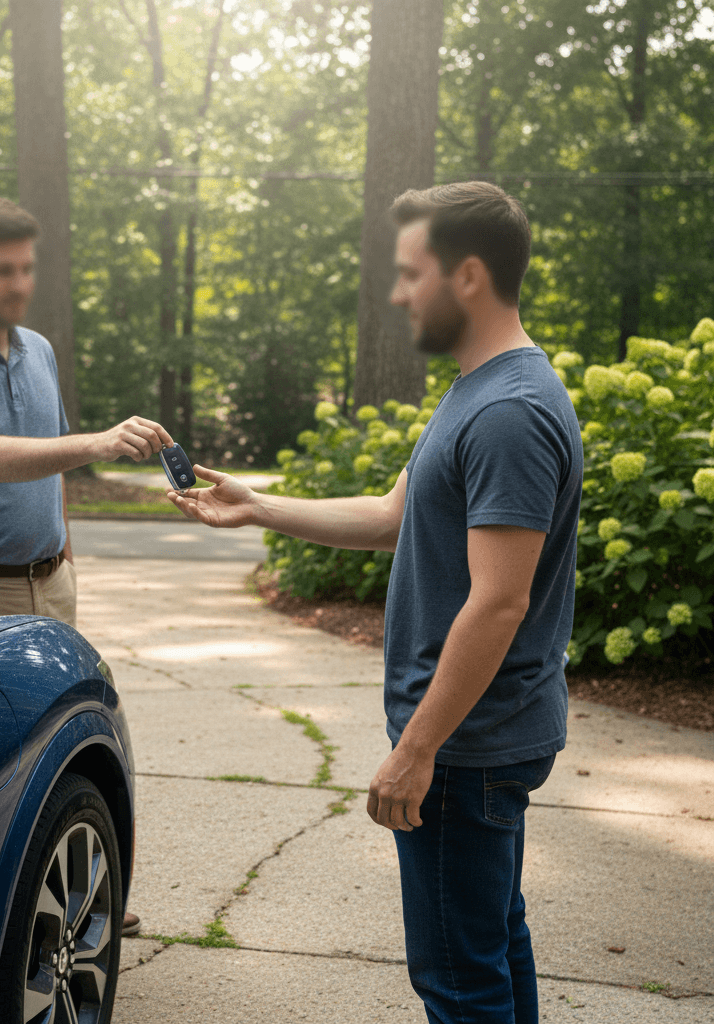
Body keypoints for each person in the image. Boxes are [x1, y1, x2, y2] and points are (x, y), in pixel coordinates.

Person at [167, 181, 583, 1023]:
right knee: (493, 949)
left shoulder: (508, 411)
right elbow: (396, 517)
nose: (396, 294)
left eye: (409, 273)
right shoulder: (480, 389)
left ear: (466, 276)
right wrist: (259, 507)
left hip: (467, 750)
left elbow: (499, 603)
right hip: (476, 740)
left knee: (460, 982)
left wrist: (417, 749)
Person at [0, 194, 172, 937]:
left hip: (49, 585)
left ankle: (83, 893)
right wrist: (100, 441)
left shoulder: (37, 349)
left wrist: (64, 560)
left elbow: (46, 476)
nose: (20, 284)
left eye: (28, 268)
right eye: (3, 270)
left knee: (66, 744)